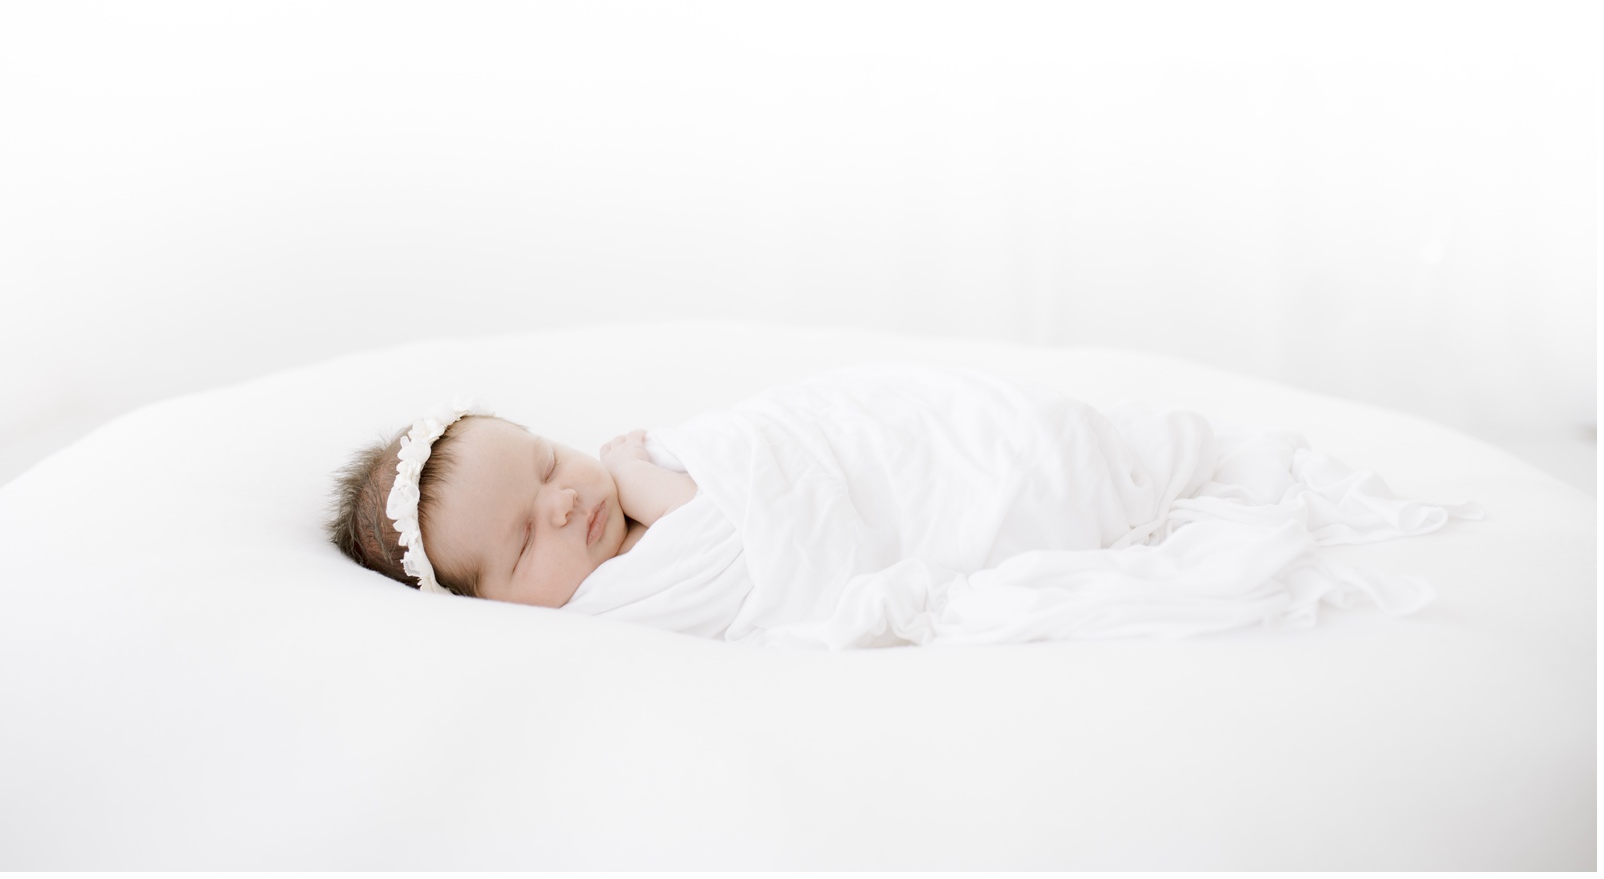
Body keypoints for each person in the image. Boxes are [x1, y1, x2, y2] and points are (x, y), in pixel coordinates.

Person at [328, 363, 1479, 648]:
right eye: (527, 535)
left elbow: (820, 441)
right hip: (876, 523)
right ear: (500, 607)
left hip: (906, 460)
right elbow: (751, 534)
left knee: (995, 435)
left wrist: (660, 463)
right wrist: (646, 477)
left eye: (542, 461)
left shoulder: (650, 463)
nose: (567, 498)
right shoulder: (623, 597)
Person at [328, 410, 697, 607]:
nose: (564, 502)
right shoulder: (606, 600)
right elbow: (720, 520)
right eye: (526, 538)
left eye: (550, 465)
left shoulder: (658, 457)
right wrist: (634, 474)